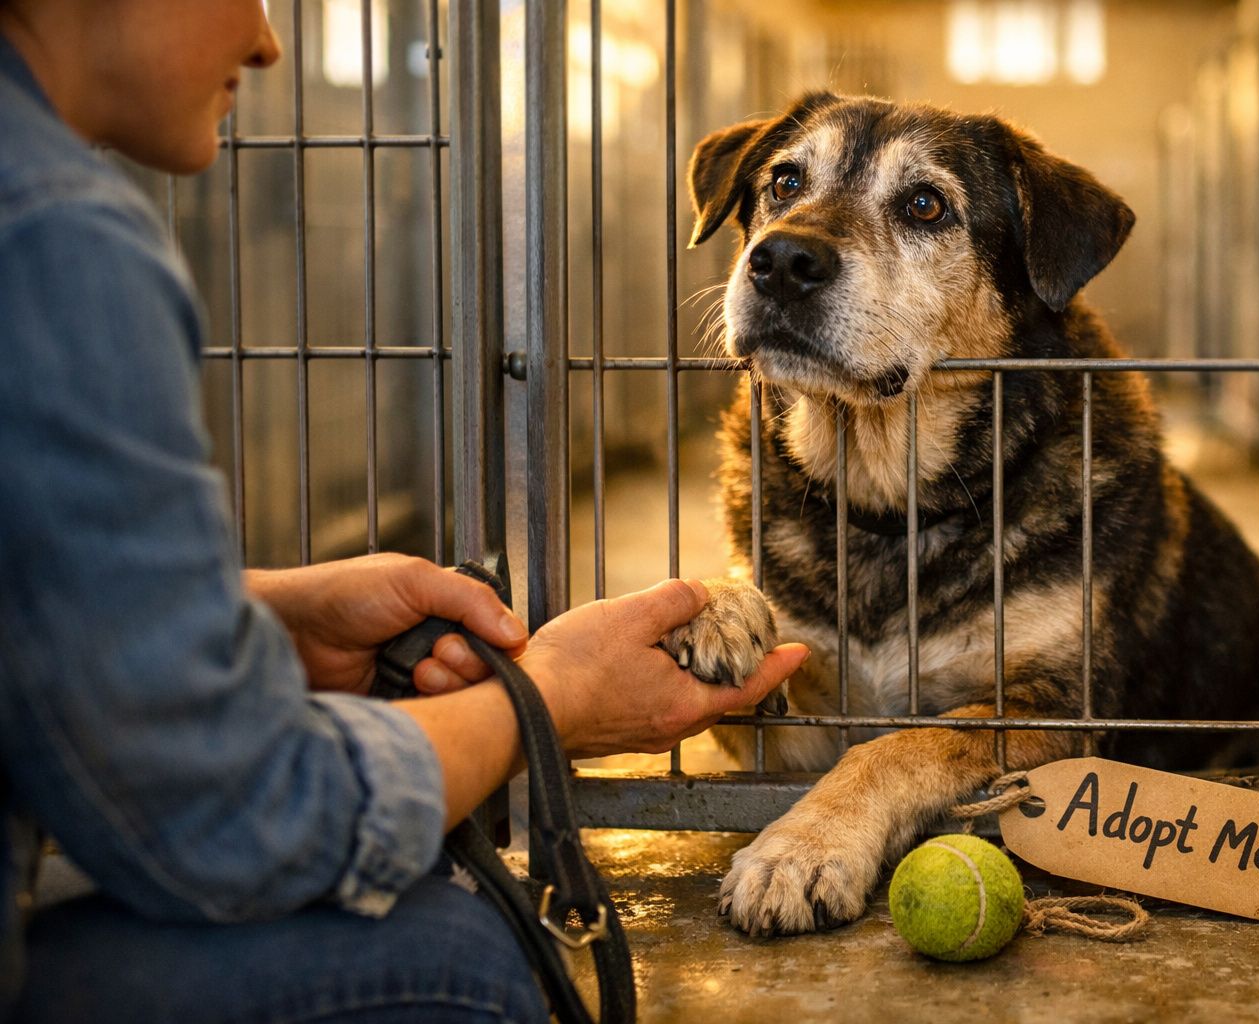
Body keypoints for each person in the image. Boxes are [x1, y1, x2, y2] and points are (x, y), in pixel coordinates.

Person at [0, 1, 809, 1020]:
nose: (267, 40)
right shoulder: (53, 236)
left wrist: (273, 618)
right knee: (452, 962)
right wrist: (545, 702)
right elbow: (228, 816)